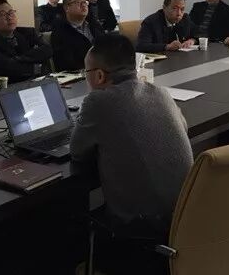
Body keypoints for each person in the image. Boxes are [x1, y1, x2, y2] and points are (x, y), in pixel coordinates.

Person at [70, 33, 193, 234]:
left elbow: (77, 152)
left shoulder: (98, 102)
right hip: (186, 214)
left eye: (87, 72)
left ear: (99, 76)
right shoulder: (161, 92)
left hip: (142, 226)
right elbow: (184, 128)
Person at [0, 0, 53, 88]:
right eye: (2, 14)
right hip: (6, 90)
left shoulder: (27, 32)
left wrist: (18, 58)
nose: (9, 17)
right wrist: (37, 67)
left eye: (11, 12)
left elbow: (47, 50)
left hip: (36, 85)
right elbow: (8, 67)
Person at [51, 0, 104, 71]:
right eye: (78, 2)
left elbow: (106, 48)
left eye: (85, 2)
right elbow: (65, 63)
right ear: (67, 8)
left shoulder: (94, 25)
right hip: (80, 73)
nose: (84, 5)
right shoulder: (60, 31)